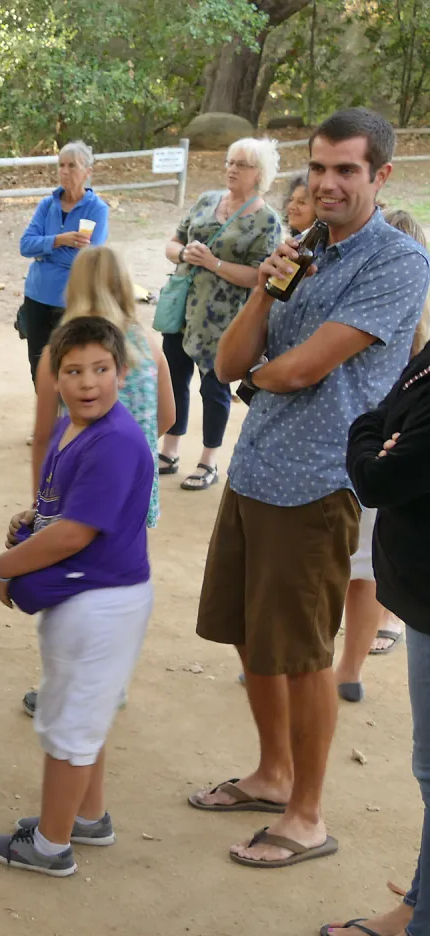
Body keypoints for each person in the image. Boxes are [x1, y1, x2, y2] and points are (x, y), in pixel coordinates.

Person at [191, 108, 430, 868]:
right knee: (247, 632)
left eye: (346, 170)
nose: (327, 183)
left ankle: (307, 814)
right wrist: (267, 286)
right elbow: (229, 363)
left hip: (321, 482)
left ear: (380, 175)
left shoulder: (396, 262)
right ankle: (271, 774)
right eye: (318, 167)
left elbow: (298, 370)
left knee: (301, 653)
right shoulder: (303, 250)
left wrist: (258, 385)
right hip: (256, 468)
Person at [0, 316, 155, 876]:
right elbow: (60, 508)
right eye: (74, 371)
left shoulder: (115, 442)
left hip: (102, 600)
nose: (88, 383)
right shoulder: (72, 428)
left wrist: (6, 565)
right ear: (54, 377)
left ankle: (51, 847)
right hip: (84, 596)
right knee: (85, 706)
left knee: (70, 722)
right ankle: (87, 816)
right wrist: (33, 517)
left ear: (122, 373)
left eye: (101, 370)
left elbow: (76, 532)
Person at [20, 246, 176, 716]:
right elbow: (166, 415)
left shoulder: (62, 352)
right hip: (135, 491)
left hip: (76, 490)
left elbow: (45, 434)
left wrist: (39, 501)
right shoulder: (146, 343)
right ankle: (112, 682)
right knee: (119, 578)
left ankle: (75, 685)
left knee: (74, 583)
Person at [323, 319, 430, 936]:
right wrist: (377, 436)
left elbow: (379, 478)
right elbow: (383, 414)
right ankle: (418, 910)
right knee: (428, 768)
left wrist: (373, 445)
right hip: (419, 593)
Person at [336, 209, 428, 702]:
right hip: (366, 456)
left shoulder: (410, 328)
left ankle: (342, 667)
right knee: (360, 564)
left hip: (369, 465)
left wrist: (377, 442)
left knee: (359, 563)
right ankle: (345, 667)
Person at [158, 137, 282, 492]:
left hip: (226, 319)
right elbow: (172, 244)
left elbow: (263, 277)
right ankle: (170, 450)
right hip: (183, 310)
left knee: (215, 388)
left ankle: (208, 460)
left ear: (259, 173)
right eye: (230, 161)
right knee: (175, 378)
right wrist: (185, 255)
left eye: (241, 164)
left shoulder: (266, 220)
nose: (231, 169)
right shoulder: (207, 200)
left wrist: (213, 263)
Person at [18, 141, 108, 383]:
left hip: (71, 300)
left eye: (72, 165)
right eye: (61, 165)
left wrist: (44, 250)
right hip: (37, 297)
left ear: (88, 171)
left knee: (70, 368)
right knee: (39, 370)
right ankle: (49, 422)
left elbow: (87, 258)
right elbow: (25, 245)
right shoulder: (47, 205)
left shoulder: (97, 209)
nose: (65, 171)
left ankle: (69, 421)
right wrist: (60, 240)